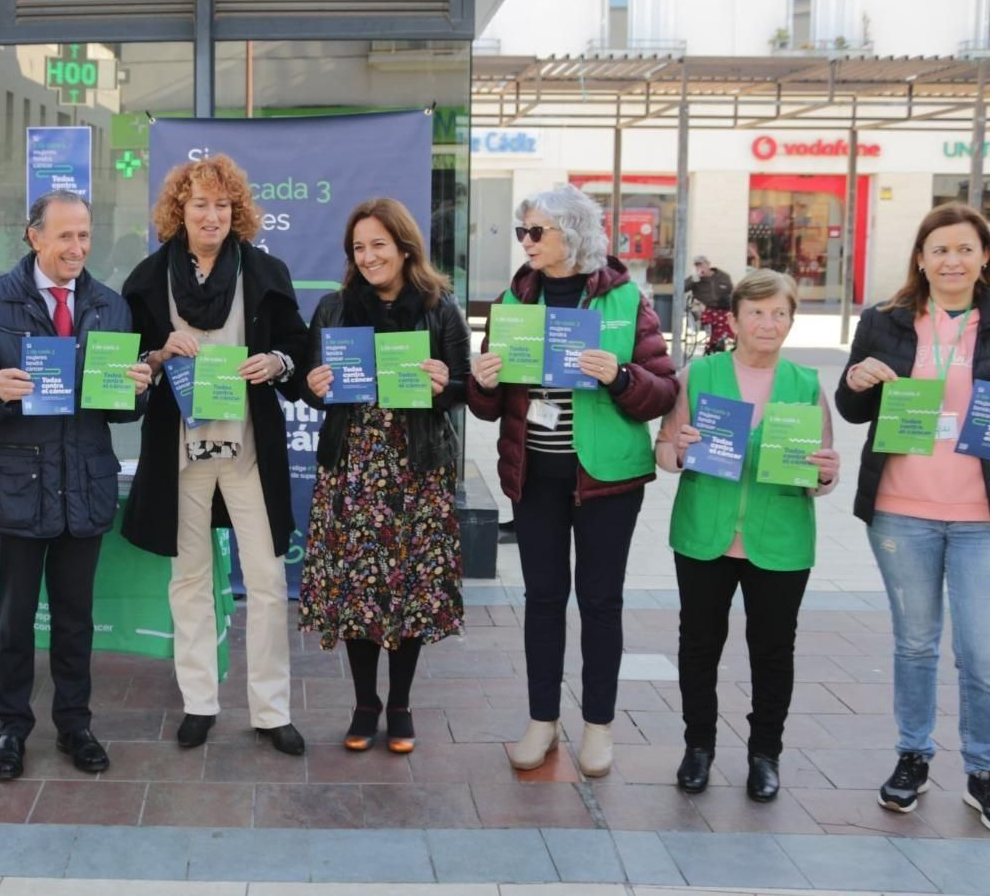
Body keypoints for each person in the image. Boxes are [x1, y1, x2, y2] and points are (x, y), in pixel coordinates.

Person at [0, 190, 151, 781]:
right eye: (65, 236)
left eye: (84, 236)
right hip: (18, 487)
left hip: (83, 483)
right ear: (34, 236)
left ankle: (75, 724)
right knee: (13, 619)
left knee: (75, 618)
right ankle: (11, 727)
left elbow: (120, 412)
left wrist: (138, 390)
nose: (77, 248)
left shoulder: (110, 306)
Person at [469, 185, 677, 778]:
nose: (526, 243)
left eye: (537, 232)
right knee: (542, 600)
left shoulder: (627, 299)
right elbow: (490, 405)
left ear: (574, 234)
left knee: (601, 602)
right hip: (535, 476)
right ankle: (541, 722)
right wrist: (483, 378)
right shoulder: (516, 295)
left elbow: (661, 392)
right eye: (522, 232)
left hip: (608, 479)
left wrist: (620, 375)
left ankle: (598, 728)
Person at [122, 154, 311, 756]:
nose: (212, 215)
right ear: (180, 211)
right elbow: (126, 364)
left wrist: (277, 363)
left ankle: (271, 709)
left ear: (238, 213)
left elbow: (298, 348)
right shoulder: (149, 279)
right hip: (180, 453)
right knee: (190, 580)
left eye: (223, 205)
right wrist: (155, 355)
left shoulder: (265, 270)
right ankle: (199, 703)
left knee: (265, 577)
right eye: (200, 204)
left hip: (249, 447)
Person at [655, 269, 840, 802]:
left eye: (779, 313)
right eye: (756, 312)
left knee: (773, 651)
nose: (768, 322)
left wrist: (826, 471)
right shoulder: (701, 374)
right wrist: (681, 449)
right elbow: (664, 451)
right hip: (704, 533)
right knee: (699, 645)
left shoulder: (805, 383)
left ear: (791, 321)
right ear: (733, 319)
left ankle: (765, 755)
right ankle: (699, 748)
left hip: (779, 538)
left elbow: (823, 476)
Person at [835, 201, 990, 827]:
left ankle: (981, 767)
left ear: (984, 257)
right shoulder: (887, 321)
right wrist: (857, 382)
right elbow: (850, 411)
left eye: (964, 249)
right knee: (916, 643)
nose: (951, 260)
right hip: (900, 508)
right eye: (939, 249)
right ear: (921, 260)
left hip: (981, 515)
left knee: (980, 651)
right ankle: (913, 758)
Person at [298, 197, 471, 754]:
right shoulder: (334, 308)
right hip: (353, 466)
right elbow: (307, 383)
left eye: (378, 245)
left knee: (410, 590)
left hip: (418, 467)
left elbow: (468, 389)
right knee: (357, 590)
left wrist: (445, 382)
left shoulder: (439, 307)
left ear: (403, 246)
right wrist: (314, 385)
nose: (369, 257)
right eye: (358, 248)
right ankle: (364, 703)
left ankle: (399, 703)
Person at [686, 256, 734, 354]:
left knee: (728, 317)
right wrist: (695, 278)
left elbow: (731, 291)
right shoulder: (696, 279)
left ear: (708, 264)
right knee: (716, 318)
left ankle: (719, 341)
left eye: (702, 264)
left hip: (723, 307)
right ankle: (716, 342)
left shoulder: (723, 276)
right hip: (706, 309)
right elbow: (681, 288)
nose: (700, 267)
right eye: (697, 265)